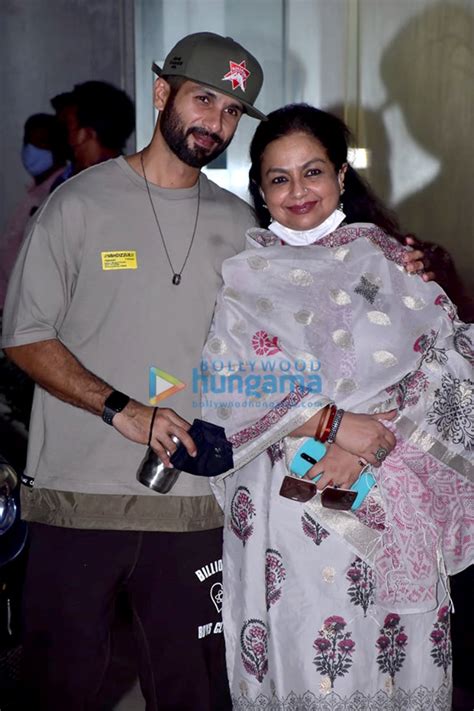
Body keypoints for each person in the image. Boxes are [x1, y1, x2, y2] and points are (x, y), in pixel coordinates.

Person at [1, 32, 266, 711]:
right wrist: (124, 408)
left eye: (233, 111)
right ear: (161, 93)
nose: (216, 123)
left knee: (196, 694)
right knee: (57, 689)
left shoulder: (241, 228)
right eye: (204, 99)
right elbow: (25, 338)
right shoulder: (78, 205)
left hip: (194, 506)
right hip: (77, 500)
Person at [201, 104, 473, 709]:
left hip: (391, 495)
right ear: (260, 190)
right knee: (312, 668)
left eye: (313, 171)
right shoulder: (246, 278)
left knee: (393, 667)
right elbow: (226, 390)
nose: (299, 191)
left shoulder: (394, 262)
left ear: (342, 176)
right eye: (279, 178)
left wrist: (376, 449)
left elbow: (452, 367)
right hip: (290, 513)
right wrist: (335, 426)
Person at [0, 113, 67, 309]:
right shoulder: (32, 192)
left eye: (41, 143)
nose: (31, 150)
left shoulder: (59, 192)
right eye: (28, 142)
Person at [49, 80, 135, 190]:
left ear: (87, 134)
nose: (60, 132)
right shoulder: (69, 177)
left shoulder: (110, 187)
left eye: (66, 125)